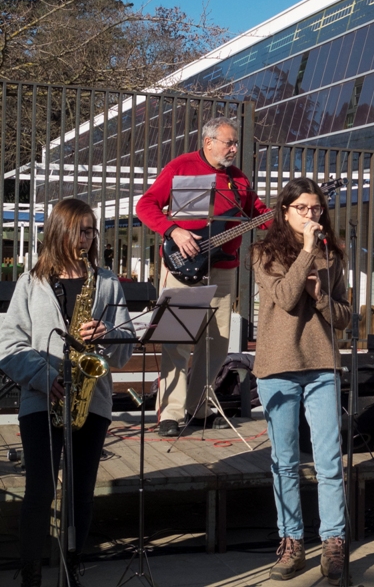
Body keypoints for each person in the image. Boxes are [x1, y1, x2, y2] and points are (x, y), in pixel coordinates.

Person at [0, 199, 134, 586]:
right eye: (80, 230)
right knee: (40, 489)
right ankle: (30, 575)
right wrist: (44, 377)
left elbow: (125, 349)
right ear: (59, 231)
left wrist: (108, 334)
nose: (87, 238)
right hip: (43, 398)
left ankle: (72, 568)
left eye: (91, 230)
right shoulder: (32, 281)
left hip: (92, 399)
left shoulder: (106, 282)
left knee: (81, 493)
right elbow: (9, 345)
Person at [136, 117, 271, 437]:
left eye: (236, 143)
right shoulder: (181, 166)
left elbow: (258, 212)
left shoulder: (238, 179)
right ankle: (170, 412)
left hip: (224, 269)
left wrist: (286, 218)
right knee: (178, 340)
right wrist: (173, 230)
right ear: (208, 142)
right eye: (230, 142)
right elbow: (146, 205)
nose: (235, 148)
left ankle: (198, 406)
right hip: (183, 266)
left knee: (218, 343)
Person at [251, 177, 350, 584]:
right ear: (285, 211)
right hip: (278, 367)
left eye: (316, 208)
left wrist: (323, 296)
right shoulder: (264, 253)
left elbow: (345, 318)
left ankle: (333, 541)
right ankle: (291, 542)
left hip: (322, 364)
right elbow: (287, 298)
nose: (312, 216)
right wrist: (307, 255)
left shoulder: (334, 254)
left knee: (329, 462)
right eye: (303, 209)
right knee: (285, 463)